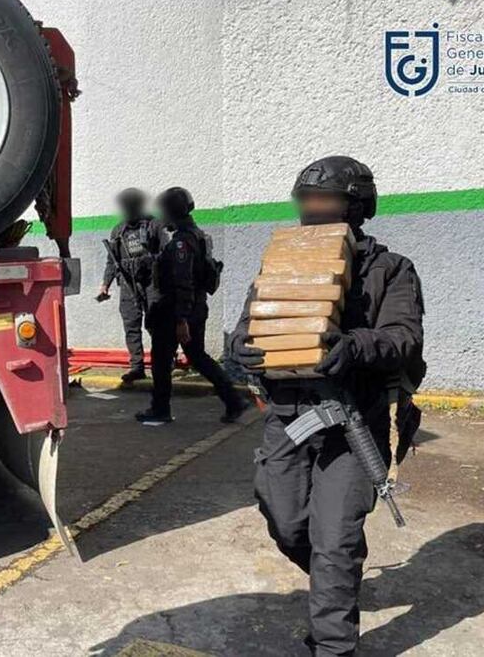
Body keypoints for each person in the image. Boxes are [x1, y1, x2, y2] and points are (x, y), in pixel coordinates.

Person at [227, 156, 426, 656]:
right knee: (286, 520)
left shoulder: (391, 270)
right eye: (307, 201)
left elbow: (404, 338)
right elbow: (248, 325)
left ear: (357, 207)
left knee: (333, 540)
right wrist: (239, 348)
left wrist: (354, 346)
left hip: (352, 420)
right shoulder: (282, 264)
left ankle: (332, 643)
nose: (314, 210)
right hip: (289, 419)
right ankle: (336, 578)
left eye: (327, 201)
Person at [137, 187, 248, 426]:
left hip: (177, 311)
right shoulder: (198, 236)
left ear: (171, 211)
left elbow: (182, 282)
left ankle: (160, 409)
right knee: (197, 356)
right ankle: (234, 400)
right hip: (195, 307)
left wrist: (181, 320)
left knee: (162, 360)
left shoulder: (181, 243)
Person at [98, 188, 156, 382]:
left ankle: (163, 362)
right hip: (128, 286)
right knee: (131, 325)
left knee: (156, 325)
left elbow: (165, 254)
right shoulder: (118, 231)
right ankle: (137, 367)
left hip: (151, 284)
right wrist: (105, 283)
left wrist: (148, 262)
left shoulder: (152, 225)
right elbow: (111, 260)